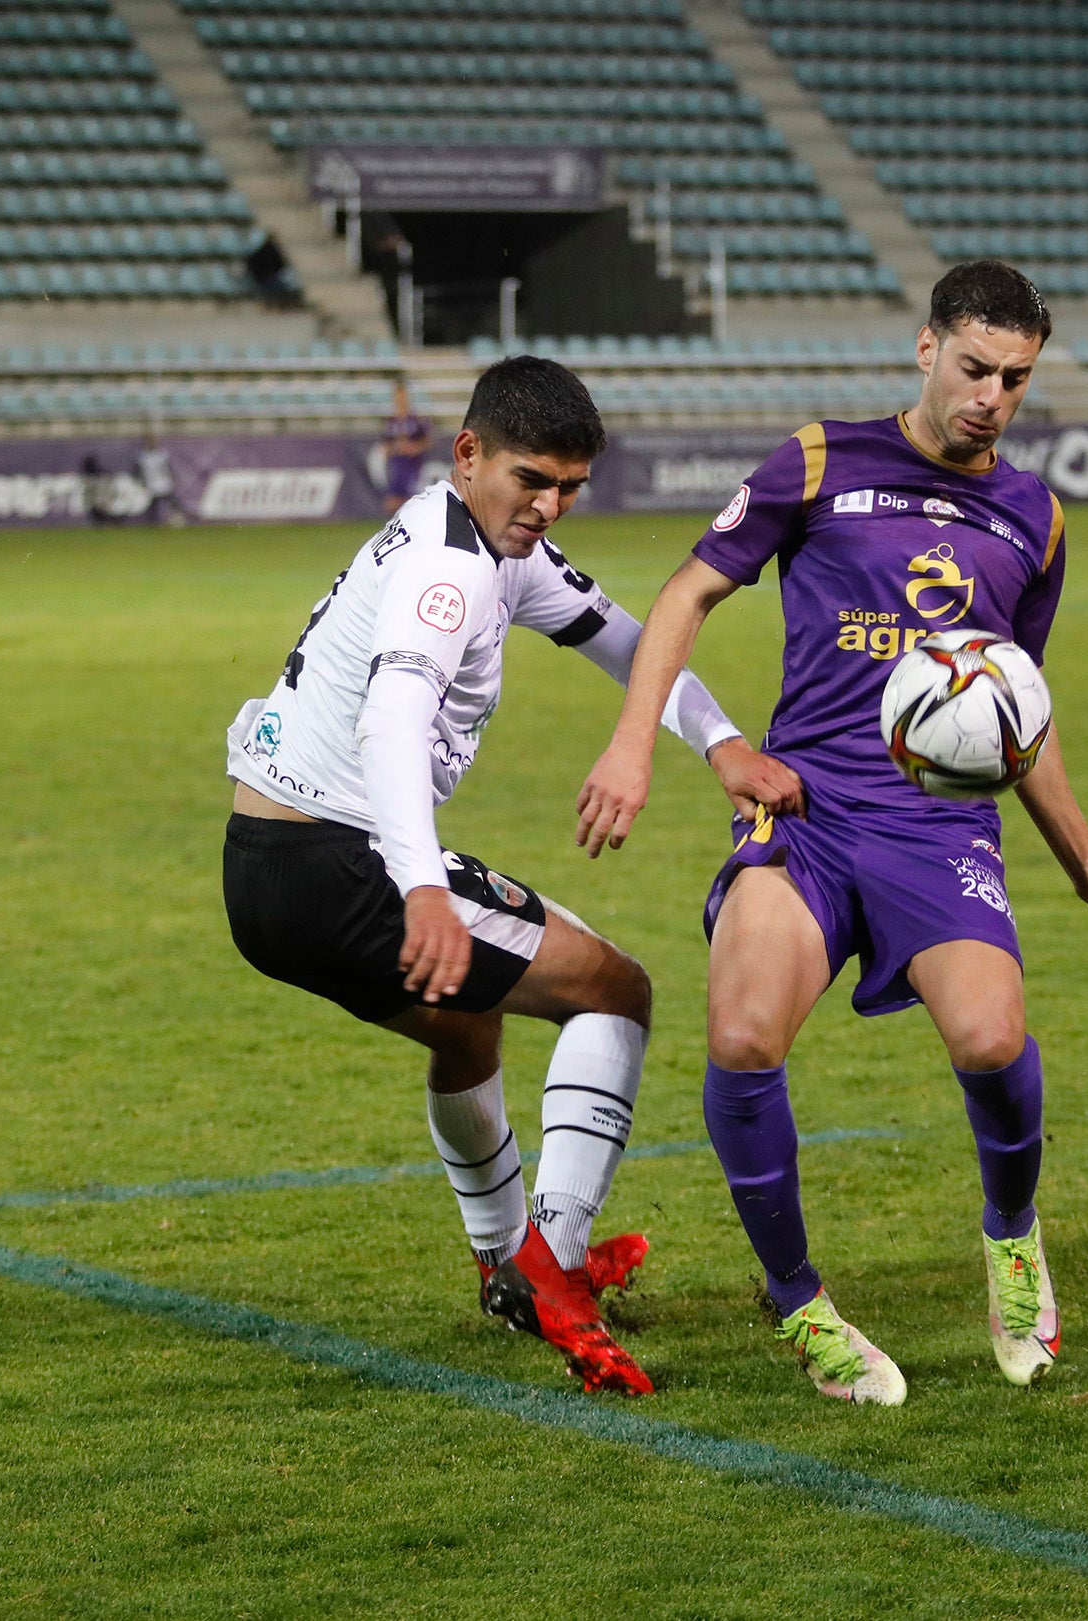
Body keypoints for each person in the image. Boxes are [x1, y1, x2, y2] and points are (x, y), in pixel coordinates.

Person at [576, 261, 1088, 1405]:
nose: (993, 394)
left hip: (937, 825)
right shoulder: (818, 459)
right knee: (744, 1035)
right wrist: (635, 743)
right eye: (975, 366)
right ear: (925, 348)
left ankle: (1012, 1237)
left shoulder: (1034, 518)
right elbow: (686, 596)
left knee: (993, 1039)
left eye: (1017, 377)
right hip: (802, 812)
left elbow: (1016, 716)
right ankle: (800, 1304)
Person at [223, 355, 779, 1395]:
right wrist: (422, 886)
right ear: (467, 453)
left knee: (466, 1025)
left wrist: (720, 744)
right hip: (341, 855)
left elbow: (626, 640)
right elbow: (392, 717)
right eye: (532, 478)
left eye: (570, 485)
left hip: (264, 869)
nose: (549, 504)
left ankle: (502, 1264)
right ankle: (552, 1268)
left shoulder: (494, 542)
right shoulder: (451, 569)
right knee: (614, 988)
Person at [382, 381, 434, 515]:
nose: (400, 399)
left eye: (402, 396)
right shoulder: (391, 421)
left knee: (411, 500)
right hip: (397, 465)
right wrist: (396, 448)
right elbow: (386, 446)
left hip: (413, 466)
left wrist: (415, 448)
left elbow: (427, 441)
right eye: (398, 396)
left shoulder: (416, 420)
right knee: (392, 503)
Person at [137, 431, 186, 526]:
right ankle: (151, 523)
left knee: (174, 502)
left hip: (164, 483)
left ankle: (178, 519)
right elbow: (139, 472)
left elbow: (168, 469)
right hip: (150, 486)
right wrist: (142, 483)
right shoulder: (142, 457)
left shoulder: (162, 455)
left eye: (154, 440)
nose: (152, 443)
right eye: (150, 441)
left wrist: (173, 478)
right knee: (151, 507)